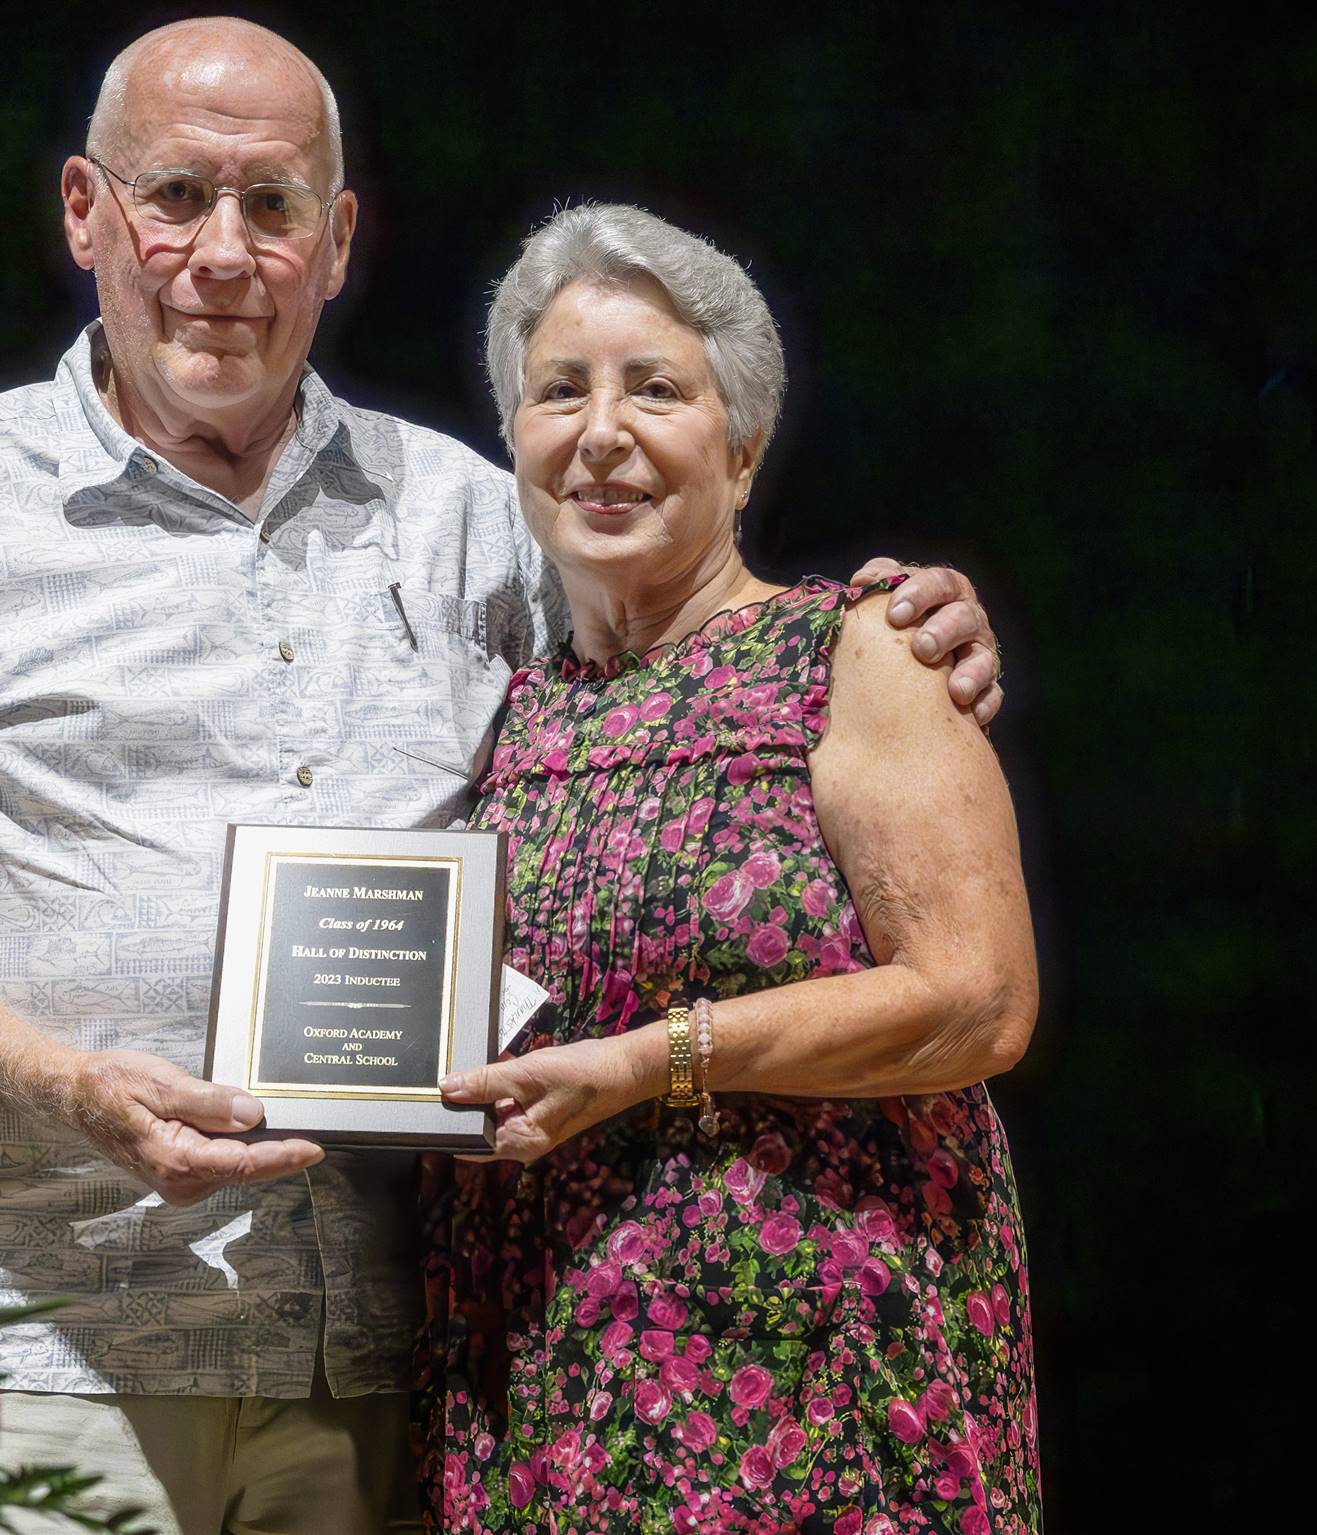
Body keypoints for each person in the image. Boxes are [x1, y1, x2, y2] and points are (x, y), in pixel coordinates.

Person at [0, 19, 1007, 1534]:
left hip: (386, 1365)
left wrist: (902, 630)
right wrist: (66, 1086)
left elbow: (691, 675)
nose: (220, 252)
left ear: (335, 245)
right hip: (42, 1352)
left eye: (272, 208)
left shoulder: (470, 517)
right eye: (175, 195)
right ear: (84, 213)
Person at [417, 204, 1039, 1535]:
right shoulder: (509, 716)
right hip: (554, 1379)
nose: (601, 433)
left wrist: (652, 1061)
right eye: (558, 392)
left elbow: (978, 1002)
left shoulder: (858, 654)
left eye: (656, 389)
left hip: (826, 1379)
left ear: (742, 445)